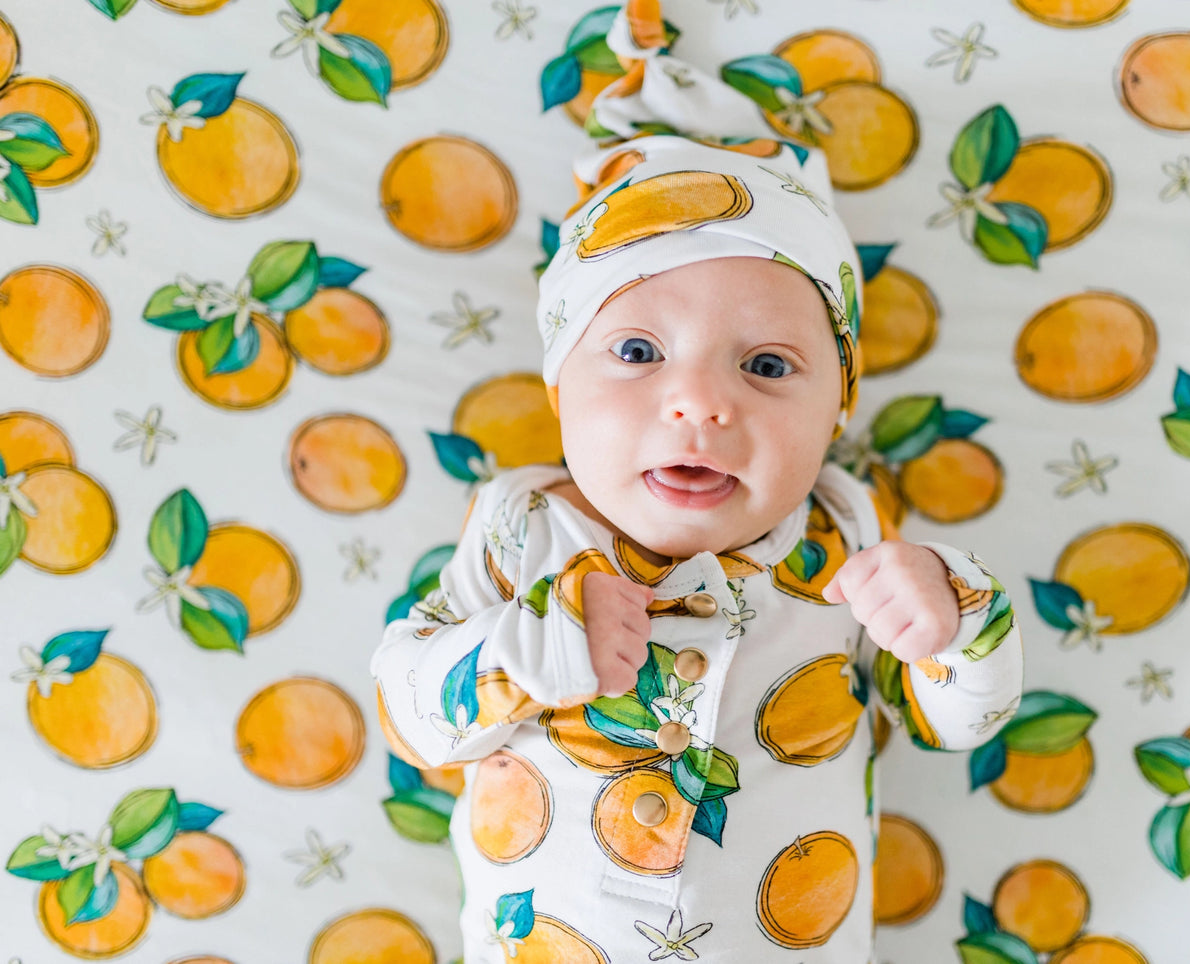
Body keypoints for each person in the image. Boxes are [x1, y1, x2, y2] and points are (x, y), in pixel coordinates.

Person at [371, 2, 1024, 960]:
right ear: (559, 386)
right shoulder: (524, 529)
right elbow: (408, 717)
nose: (699, 404)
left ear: (835, 409)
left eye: (765, 367)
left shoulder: (845, 539)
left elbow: (956, 725)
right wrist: (521, 651)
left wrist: (958, 621)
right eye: (637, 351)